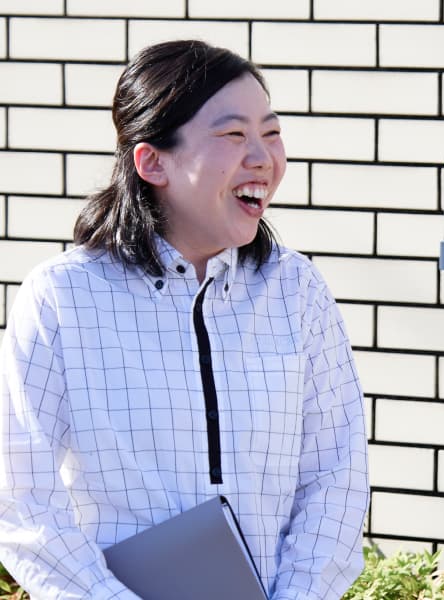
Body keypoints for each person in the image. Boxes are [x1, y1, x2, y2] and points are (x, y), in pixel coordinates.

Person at [0, 40, 369, 599]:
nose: (263, 158)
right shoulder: (61, 297)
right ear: (152, 162)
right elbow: (22, 500)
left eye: (271, 132)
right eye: (233, 134)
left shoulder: (297, 290)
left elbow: (336, 477)